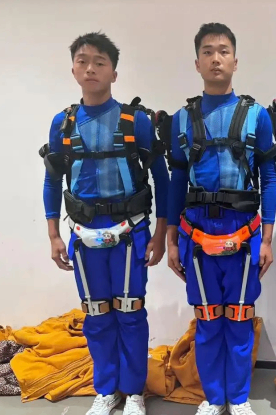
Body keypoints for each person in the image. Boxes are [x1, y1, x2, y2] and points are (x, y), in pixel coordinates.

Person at [41, 32, 169, 415]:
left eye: (100, 62)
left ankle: (133, 392)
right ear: (73, 70)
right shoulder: (62, 125)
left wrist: (161, 235)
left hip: (131, 232)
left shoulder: (137, 121)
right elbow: (52, 181)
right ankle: (106, 389)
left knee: (130, 311)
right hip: (83, 235)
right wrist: (53, 234)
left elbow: (162, 179)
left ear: (114, 72)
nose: (91, 68)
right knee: (96, 314)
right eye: (83, 61)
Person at [164, 23, 276, 415]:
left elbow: (269, 178)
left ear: (235, 61)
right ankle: (214, 398)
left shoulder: (257, 116)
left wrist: (268, 238)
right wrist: (171, 239)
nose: (216, 58)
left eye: (223, 51)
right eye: (208, 51)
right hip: (196, 231)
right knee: (208, 318)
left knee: (240, 317)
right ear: (197, 63)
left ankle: (239, 398)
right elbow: (176, 180)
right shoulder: (181, 119)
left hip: (243, 231)